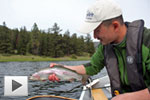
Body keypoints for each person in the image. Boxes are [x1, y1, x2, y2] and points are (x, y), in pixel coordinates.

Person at [49, 0, 150, 99]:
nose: (94, 36)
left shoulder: (146, 41)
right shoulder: (105, 46)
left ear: (115, 26)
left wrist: (125, 98)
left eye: (97, 30)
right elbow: (92, 67)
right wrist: (62, 68)